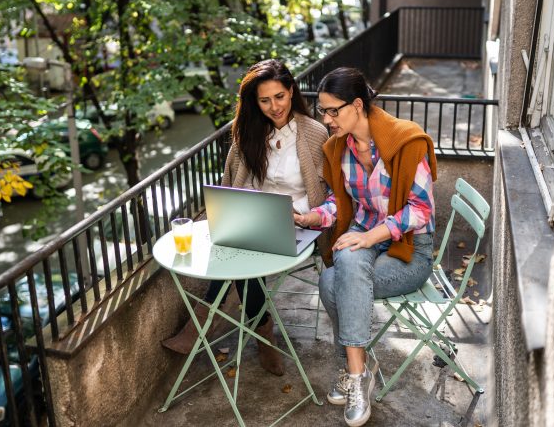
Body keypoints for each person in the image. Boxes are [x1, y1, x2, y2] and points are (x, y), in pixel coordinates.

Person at [162, 59, 329, 377]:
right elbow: (233, 183)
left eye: (279, 96)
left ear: (291, 91)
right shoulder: (249, 132)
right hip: (253, 216)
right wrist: (233, 212)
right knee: (237, 243)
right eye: (264, 100)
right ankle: (261, 328)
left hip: (298, 223)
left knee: (244, 255)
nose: (274, 107)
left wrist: (302, 215)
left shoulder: (314, 133)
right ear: (254, 102)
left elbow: (327, 190)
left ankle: (211, 321)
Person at [294, 67, 437, 427]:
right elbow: (341, 205)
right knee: (338, 272)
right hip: (366, 237)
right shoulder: (338, 149)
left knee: (338, 274)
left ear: (357, 105)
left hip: (410, 252)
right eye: (322, 111)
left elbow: (421, 210)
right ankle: (360, 370)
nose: (326, 120)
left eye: (333, 111)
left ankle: (355, 371)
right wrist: (311, 217)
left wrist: (371, 237)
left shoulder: (407, 141)